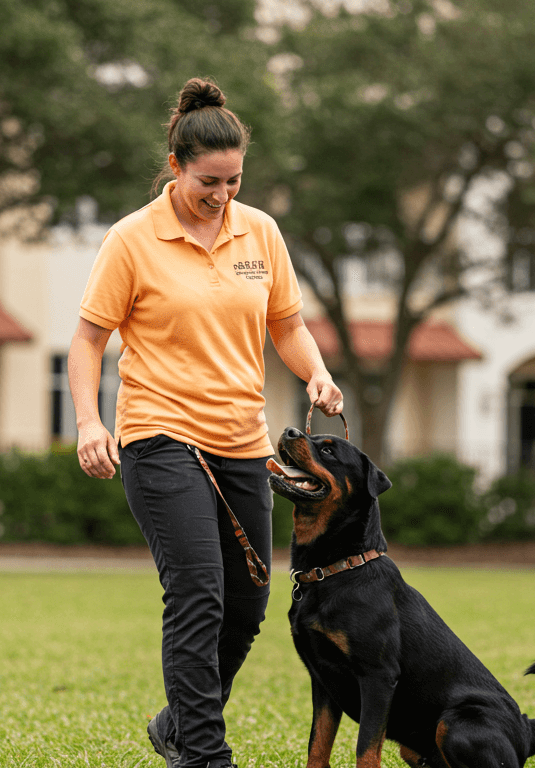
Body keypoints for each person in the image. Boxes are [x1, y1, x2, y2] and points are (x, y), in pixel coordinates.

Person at [69, 77, 344, 768]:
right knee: (197, 594)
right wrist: (87, 422)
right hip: (160, 434)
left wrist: (315, 370)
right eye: (208, 182)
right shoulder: (133, 239)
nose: (222, 195)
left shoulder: (262, 233)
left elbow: (286, 324)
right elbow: (86, 340)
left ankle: (178, 723)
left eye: (234, 180)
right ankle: (204, 755)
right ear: (176, 167)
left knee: (248, 605)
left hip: (241, 440)